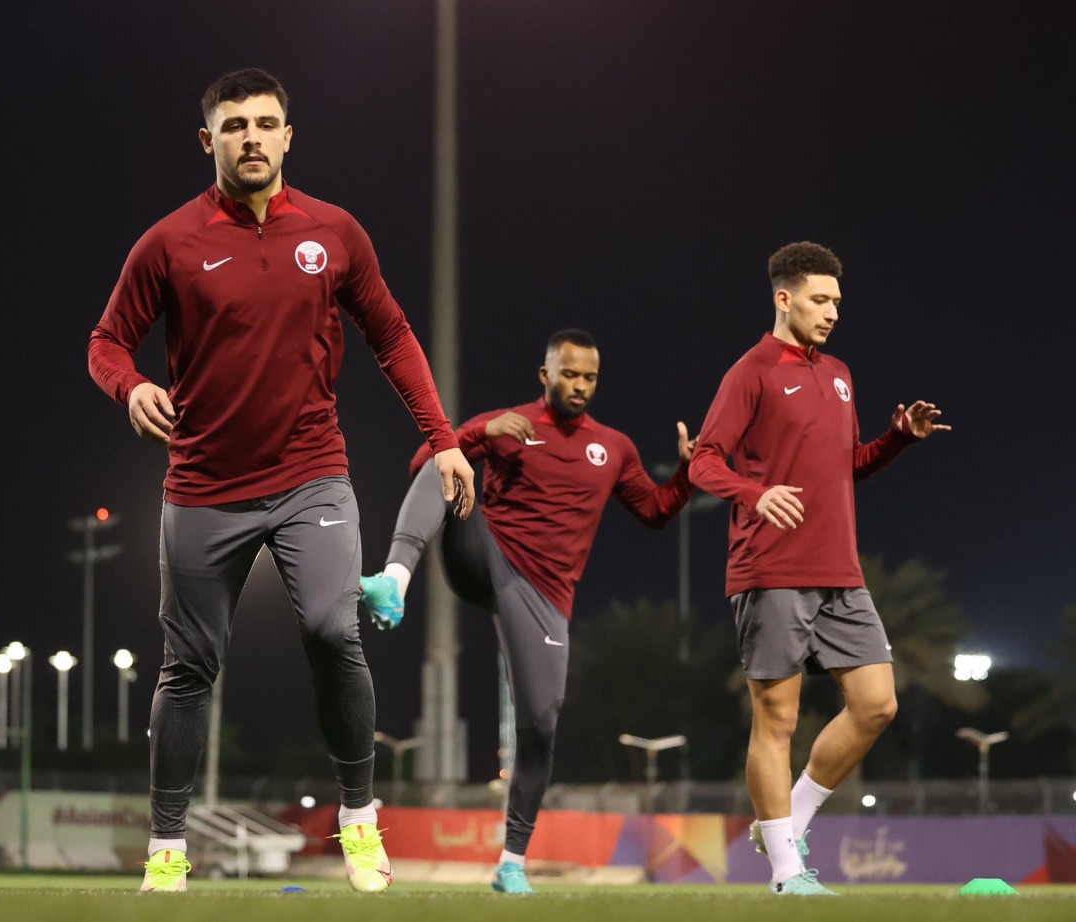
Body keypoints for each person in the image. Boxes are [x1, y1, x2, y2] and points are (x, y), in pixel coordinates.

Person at [87, 67, 475, 894]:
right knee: (187, 668)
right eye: (235, 127)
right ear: (209, 141)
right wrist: (133, 388)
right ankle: (167, 846)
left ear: (289, 137)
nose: (252, 138)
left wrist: (442, 437)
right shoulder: (169, 242)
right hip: (202, 486)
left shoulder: (335, 233)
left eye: (266, 124)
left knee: (337, 634)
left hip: (312, 477)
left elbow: (394, 335)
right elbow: (106, 343)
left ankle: (361, 824)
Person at [359, 329, 697, 894]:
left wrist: (686, 476)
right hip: (484, 553)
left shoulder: (613, 447)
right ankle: (393, 580)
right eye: (570, 374)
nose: (580, 385)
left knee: (541, 726)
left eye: (589, 377)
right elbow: (424, 461)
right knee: (447, 462)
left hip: (543, 596)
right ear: (546, 375)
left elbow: (657, 511)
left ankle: (511, 862)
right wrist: (476, 434)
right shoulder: (510, 424)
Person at [688, 242, 950, 896]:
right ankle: (785, 871)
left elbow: (846, 466)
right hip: (769, 568)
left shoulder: (838, 373)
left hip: (841, 570)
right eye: (819, 299)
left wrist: (896, 441)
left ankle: (789, 820)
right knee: (776, 720)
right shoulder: (749, 372)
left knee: (877, 704)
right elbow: (704, 462)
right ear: (784, 298)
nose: (832, 311)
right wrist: (756, 493)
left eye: (836, 300)